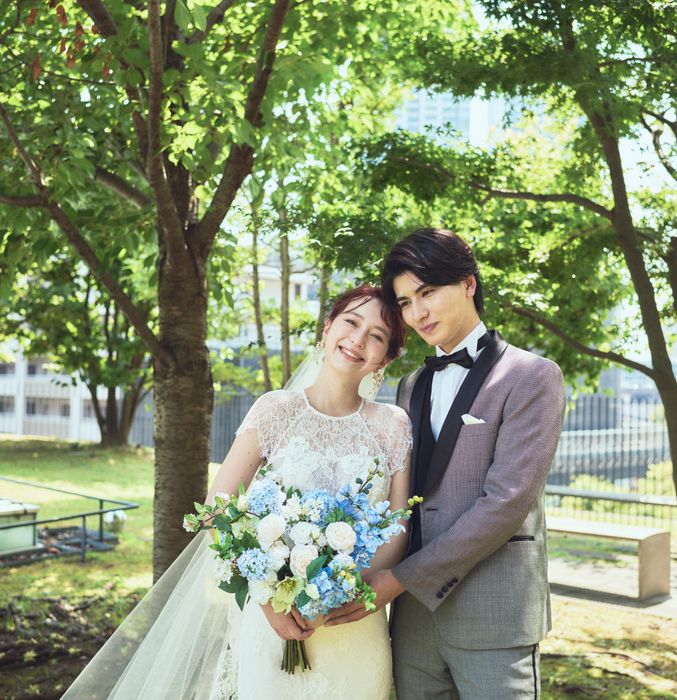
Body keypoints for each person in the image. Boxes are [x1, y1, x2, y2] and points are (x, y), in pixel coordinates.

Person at [61, 285, 412, 700]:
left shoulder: (392, 425)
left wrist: (344, 591)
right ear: (327, 328)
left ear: (385, 358)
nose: (358, 339)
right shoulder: (275, 410)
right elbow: (217, 509)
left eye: (376, 336)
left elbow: (397, 530)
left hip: (353, 623)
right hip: (275, 622)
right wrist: (267, 599)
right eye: (351, 322)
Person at [326, 228, 565, 699]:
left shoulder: (531, 376)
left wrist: (399, 579)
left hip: (492, 615)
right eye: (405, 302)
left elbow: (506, 502)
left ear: (468, 284)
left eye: (428, 292)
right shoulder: (411, 386)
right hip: (411, 622)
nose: (417, 313)